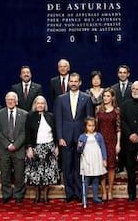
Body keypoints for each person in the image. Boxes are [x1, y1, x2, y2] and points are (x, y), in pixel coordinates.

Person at [55, 72, 93, 203]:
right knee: (67, 167)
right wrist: (59, 137)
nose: (73, 83)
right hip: (65, 138)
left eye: (76, 81)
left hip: (80, 139)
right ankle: (69, 194)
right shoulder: (61, 98)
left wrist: (86, 138)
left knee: (79, 167)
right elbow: (58, 120)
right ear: (68, 82)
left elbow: (89, 120)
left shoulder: (86, 98)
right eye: (71, 81)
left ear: (80, 83)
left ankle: (78, 193)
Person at [24, 95, 59, 204]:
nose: (40, 105)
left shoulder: (51, 116)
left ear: (45, 105)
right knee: (36, 173)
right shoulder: (30, 117)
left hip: (49, 147)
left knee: (48, 173)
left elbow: (55, 132)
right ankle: (37, 194)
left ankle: (45, 195)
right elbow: (28, 134)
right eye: (38, 103)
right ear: (35, 105)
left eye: (42, 103)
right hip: (36, 148)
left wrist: (57, 146)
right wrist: (29, 147)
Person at [0, 91, 28, 204]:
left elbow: (24, 132)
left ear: (16, 101)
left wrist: (16, 145)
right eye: (8, 99)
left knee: (19, 174)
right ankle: (7, 194)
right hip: (4, 149)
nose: (10, 101)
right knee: (5, 173)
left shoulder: (24, 114)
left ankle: (19, 195)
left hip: (19, 149)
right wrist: (8, 145)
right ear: (5, 101)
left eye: (12, 99)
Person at [95, 88, 121, 201]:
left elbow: (118, 128)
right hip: (100, 141)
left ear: (112, 97)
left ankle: (110, 190)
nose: (105, 98)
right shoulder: (98, 110)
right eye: (104, 96)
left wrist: (118, 144)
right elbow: (94, 127)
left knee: (111, 167)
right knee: (101, 167)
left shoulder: (116, 111)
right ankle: (104, 192)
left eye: (108, 96)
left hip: (112, 141)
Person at [78, 117, 108, 205]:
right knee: (86, 180)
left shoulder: (99, 136)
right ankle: (84, 198)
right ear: (85, 126)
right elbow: (79, 150)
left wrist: (104, 159)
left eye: (93, 126)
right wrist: (80, 147)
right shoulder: (82, 136)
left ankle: (95, 197)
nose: (91, 128)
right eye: (89, 126)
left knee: (96, 179)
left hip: (96, 159)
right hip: (87, 159)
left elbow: (103, 147)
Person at [110, 64, 132, 173]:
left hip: (130, 121)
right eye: (120, 72)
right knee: (118, 143)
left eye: (124, 72)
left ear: (128, 74)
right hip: (116, 120)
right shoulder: (113, 88)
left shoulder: (133, 87)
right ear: (118, 74)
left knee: (128, 144)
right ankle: (120, 165)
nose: (122, 74)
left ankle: (129, 165)